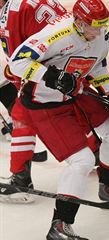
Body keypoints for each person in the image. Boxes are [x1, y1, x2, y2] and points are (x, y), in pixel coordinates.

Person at [8, 0, 109, 240]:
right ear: (78, 22)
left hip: (76, 95)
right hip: (43, 103)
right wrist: (52, 76)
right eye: (94, 26)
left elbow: (98, 66)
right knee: (81, 161)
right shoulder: (55, 34)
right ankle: (59, 228)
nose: (99, 32)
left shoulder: (103, 35)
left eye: (103, 25)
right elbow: (17, 62)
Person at [0, 0, 67, 203]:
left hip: (47, 71)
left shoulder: (11, 11)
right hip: (74, 61)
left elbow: (16, 63)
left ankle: (20, 181)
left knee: (23, 113)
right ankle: (94, 149)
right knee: (69, 109)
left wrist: (19, 81)